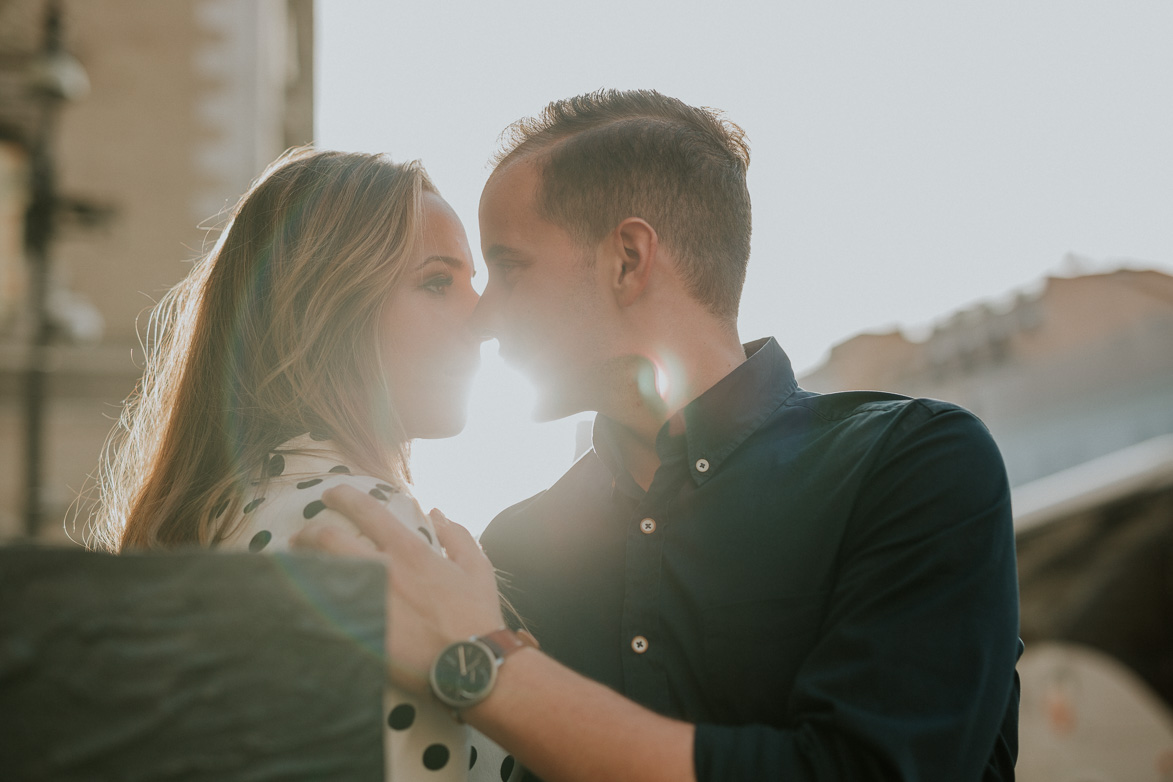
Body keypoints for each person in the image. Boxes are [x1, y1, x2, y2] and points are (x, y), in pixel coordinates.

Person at [301, 89, 1022, 782]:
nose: (482, 320)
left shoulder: (913, 466)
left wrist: (482, 663)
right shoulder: (516, 549)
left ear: (628, 260)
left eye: (509, 268)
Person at [90, 147, 522, 781]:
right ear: (327, 311)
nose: (482, 317)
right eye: (438, 281)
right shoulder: (363, 525)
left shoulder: (227, 512)